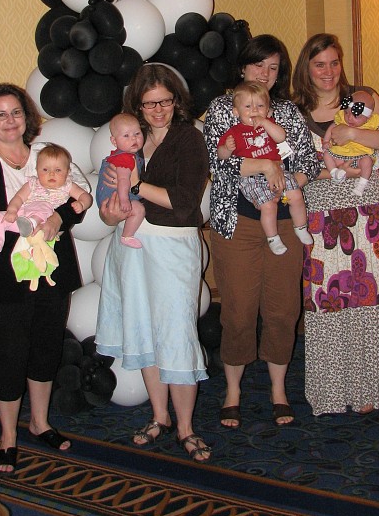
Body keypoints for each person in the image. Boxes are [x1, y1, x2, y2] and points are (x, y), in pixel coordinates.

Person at [0, 83, 90, 473]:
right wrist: (31, 229)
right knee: (9, 355)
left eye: (16, 112)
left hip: (51, 272)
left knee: (46, 348)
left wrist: (56, 218)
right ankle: (8, 438)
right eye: (0, 114)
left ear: (27, 116)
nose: (9, 120)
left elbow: (79, 199)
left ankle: (39, 422)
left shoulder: (47, 156)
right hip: (5, 279)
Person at [95, 64, 212, 463]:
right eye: (150, 103)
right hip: (130, 247)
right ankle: (159, 417)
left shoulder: (189, 139)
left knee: (177, 332)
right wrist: (112, 211)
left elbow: (183, 202)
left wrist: (134, 184)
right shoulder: (130, 141)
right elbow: (110, 209)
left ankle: (186, 427)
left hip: (173, 247)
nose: (158, 110)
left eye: (165, 101)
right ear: (138, 107)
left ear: (176, 101)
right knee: (142, 328)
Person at [203, 35, 320, 429]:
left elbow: (308, 164)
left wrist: (282, 176)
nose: (265, 75)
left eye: (273, 68)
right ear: (242, 68)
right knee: (237, 311)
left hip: (285, 223)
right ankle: (233, 391)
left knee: (283, 310)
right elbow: (217, 165)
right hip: (236, 225)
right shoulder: (224, 107)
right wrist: (265, 168)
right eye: (258, 66)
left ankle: (278, 389)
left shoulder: (286, 112)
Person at [292, 33, 379, 416]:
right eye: (319, 64)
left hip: (366, 207)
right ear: (306, 69)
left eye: (334, 62)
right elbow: (294, 165)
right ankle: (332, 388)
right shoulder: (295, 109)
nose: (328, 72)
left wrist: (353, 133)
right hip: (322, 211)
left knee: (369, 291)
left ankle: (370, 385)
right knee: (328, 298)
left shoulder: (361, 99)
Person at [217, 80, 312, 254]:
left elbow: (280, 137)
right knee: (268, 206)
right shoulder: (234, 132)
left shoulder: (269, 124)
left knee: (296, 195)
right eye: (248, 106)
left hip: (279, 171)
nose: (254, 110)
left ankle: (300, 227)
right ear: (236, 112)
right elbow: (220, 157)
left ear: (267, 110)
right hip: (251, 177)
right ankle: (273, 237)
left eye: (260, 106)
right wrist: (227, 148)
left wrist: (266, 122)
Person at [0, 142, 92, 256]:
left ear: (67, 172)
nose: (51, 174)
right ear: (37, 170)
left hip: (45, 221)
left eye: (58, 170)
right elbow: (19, 198)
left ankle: (31, 224)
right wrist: (11, 211)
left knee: (42, 206)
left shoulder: (68, 185)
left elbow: (85, 196)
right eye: (45, 170)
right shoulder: (33, 183)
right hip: (24, 216)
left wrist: (81, 203)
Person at [322, 90, 379, 195]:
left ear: (368, 117)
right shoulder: (342, 119)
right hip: (340, 153)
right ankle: (334, 172)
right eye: (347, 113)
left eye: (356, 115)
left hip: (361, 155)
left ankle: (362, 184)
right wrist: (326, 141)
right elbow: (332, 127)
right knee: (327, 154)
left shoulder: (372, 122)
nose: (349, 118)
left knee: (367, 161)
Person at [95, 113, 145, 249]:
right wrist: (124, 200)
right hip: (116, 198)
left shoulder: (119, 155)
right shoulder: (125, 158)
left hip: (110, 198)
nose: (133, 138)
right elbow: (123, 180)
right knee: (139, 210)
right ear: (114, 141)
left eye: (137, 133)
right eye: (126, 136)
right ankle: (127, 236)